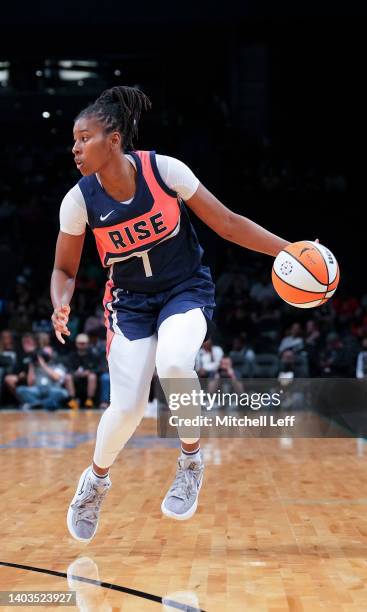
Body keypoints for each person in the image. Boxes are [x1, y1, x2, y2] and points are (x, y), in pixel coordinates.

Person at [50, 85, 296, 543]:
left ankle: (190, 463)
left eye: (85, 138)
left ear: (115, 139)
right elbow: (64, 268)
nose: (76, 148)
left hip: (184, 287)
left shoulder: (164, 171)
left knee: (176, 363)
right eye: (74, 140)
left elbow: (227, 222)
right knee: (126, 408)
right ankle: (95, 483)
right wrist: (60, 300)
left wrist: (288, 249)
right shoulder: (78, 200)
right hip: (130, 302)